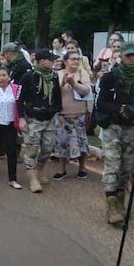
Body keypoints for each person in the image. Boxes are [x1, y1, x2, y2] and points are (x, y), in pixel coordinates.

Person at [94, 42, 134, 225]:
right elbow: (101, 103)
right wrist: (119, 108)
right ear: (121, 57)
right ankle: (111, 205)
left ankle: (120, 201)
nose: (131, 59)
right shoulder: (110, 77)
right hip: (113, 126)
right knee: (112, 165)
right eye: (128, 56)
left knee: (127, 168)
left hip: (133, 127)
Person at [18, 50, 62, 193]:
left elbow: (57, 97)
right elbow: (19, 99)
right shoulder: (28, 77)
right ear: (42, 61)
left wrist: (57, 111)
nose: (53, 62)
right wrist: (21, 118)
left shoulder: (54, 76)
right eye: (50, 60)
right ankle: (32, 177)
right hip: (33, 119)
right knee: (32, 149)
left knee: (48, 148)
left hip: (50, 118)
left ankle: (40, 169)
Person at [52, 51, 92, 180]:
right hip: (63, 114)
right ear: (65, 61)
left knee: (81, 141)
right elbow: (54, 93)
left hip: (79, 113)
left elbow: (86, 90)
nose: (75, 61)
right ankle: (61, 169)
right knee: (62, 142)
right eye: (72, 59)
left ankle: (82, 167)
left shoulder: (82, 73)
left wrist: (74, 84)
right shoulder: (58, 74)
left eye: (77, 59)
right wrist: (63, 83)